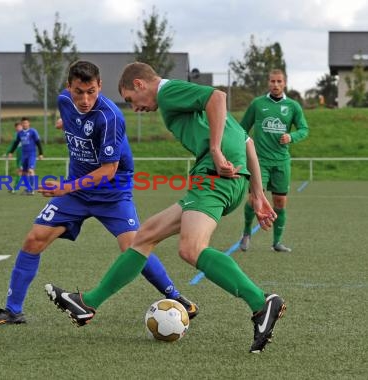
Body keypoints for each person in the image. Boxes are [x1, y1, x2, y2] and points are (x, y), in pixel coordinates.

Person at [44, 62, 286, 354]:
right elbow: (247, 141)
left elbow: (218, 97)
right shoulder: (183, 100)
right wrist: (257, 192)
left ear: (139, 85)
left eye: (132, 100)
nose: (135, 108)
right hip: (223, 178)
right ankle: (87, 304)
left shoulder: (168, 92)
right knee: (144, 236)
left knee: (191, 249)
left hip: (213, 176)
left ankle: (261, 303)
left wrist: (215, 150)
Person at [0, 60, 198, 327]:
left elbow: (108, 170)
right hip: (77, 193)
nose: (85, 99)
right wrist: (66, 123)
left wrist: (64, 188)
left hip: (112, 192)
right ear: (68, 87)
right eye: (79, 92)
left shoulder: (110, 117)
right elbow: (69, 117)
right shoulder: (64, 101)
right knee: (34, 240)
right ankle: (13, 311)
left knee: (133, 248)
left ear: (100, 87)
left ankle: (178, 299)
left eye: (91, 92)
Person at [239, 69, 309, 253]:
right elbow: (241, 129)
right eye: (272, 81)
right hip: (259, 161)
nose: (275, 84)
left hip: (281, 162)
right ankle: (246, 232)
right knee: (256, 200)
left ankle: (276, 242)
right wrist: (248, 144)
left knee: (279, 202)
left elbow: (304, 129)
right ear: (268, 83)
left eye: (279, 81)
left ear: (284, 83)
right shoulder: (257, 104)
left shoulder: (293, 106)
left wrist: (291, 137)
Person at [6, 116, 43, 195]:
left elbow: (38, 142)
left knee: (31, 170)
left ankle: (32, 190)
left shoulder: (33, 131)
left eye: (26, 123)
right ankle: (28, 188)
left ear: (29, 123)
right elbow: (16, 143)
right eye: (23, 123)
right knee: (23, 172)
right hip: (24, 155)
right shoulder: (20, 133)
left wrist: (40, 153)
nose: (24, 124)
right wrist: (11, 152)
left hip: (31, 154)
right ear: (22, 124)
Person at [5, 121, 23, 193]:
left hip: (25, 155)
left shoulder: (26, 134)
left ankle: (16, 188)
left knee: (20, 171)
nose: (18, 128)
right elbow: (13, 144)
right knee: (21, 171)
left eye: (19, 126)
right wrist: (8, 153)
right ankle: (27, 188)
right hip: (19, 155)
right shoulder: (17, 134)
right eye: (17, 127)